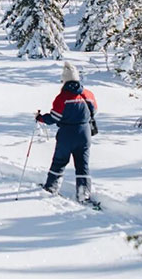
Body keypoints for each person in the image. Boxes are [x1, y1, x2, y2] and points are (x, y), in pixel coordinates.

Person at [36, 62, 98, 202]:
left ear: (64, 80)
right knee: (82, 165)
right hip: (85, 133)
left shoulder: (62, 97)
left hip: (67, 134)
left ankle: (51, 187)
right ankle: (84, 194)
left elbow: (54, 118)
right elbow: (94, 111)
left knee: (59, 161)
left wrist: (41, 118)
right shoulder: (88, 94)